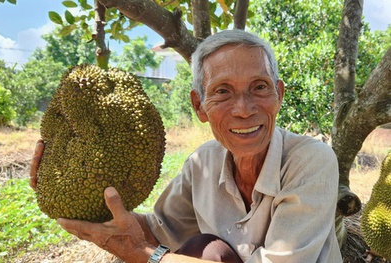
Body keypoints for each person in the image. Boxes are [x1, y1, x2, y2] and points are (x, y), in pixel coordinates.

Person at [30, 29, 342, 262]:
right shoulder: (203, 163)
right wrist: (73, 196)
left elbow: (145, 246)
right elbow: (157, 230)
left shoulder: (311, 160)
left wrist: (146, 255)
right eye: (222, 92)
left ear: (279, 95)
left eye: (259, 88)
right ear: (199, 106)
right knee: (206, 249)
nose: (244, 109)